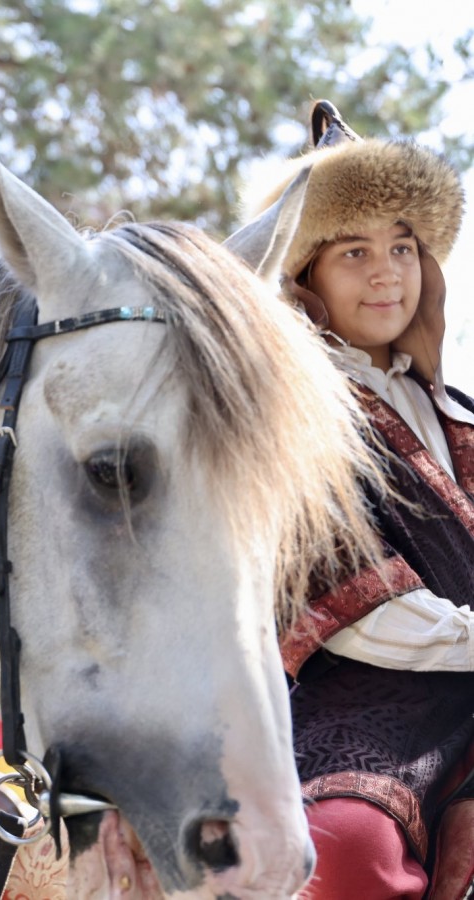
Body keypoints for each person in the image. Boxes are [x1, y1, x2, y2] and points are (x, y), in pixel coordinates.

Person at [245, 100, 474, 899]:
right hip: (368, 692)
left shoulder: (460, 412)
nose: (386, 272)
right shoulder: (285, 415)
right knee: (349, 846)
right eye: (353, 251)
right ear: (304, 272)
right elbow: (354, 597)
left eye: (402, 247)